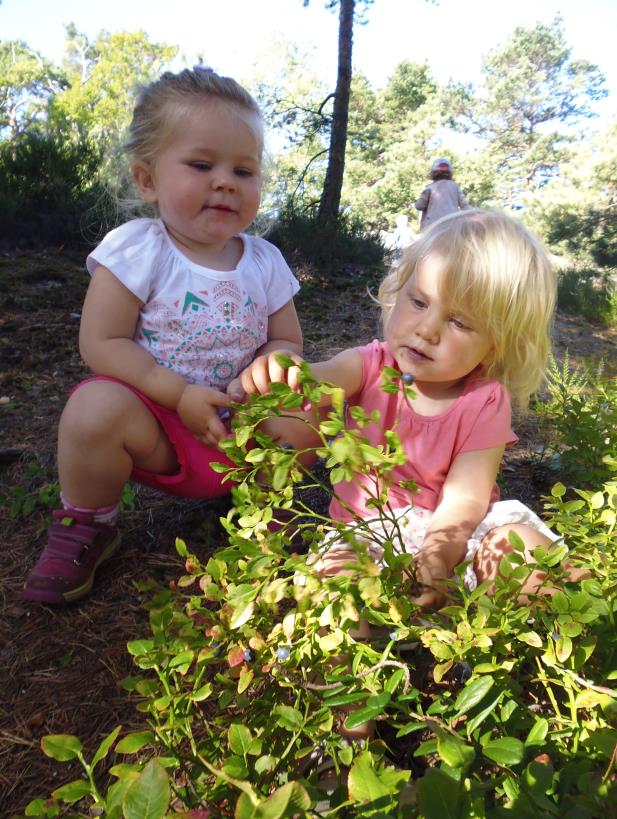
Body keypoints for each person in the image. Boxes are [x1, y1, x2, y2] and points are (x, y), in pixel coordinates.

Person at [23, 66, 307, 605]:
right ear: (147, 179)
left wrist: (273, 364)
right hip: (161, 431)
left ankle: (268, 509)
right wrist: (178, 394)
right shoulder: (138, 249)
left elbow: (287, 340)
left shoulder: (265, 261)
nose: (225, 181)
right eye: (202, 164)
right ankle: (89, 522)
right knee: (93, 407)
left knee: (309, 404)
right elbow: (100, 343)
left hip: (241, 434)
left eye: (243, 170)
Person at [235, 209, 578, 612]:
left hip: (455, 536)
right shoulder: (369, 365)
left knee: (526, 553)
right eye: (418, 302)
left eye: (459, 322)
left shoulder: (485, 399)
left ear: (497, 344)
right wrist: (287, 372)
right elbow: (319, 378)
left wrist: (437, 555)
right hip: (364, 535)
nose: (426, 330)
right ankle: (349, 667)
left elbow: (466, 498)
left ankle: (524, 632)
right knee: (333, 587)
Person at [414, 158, 469, 231]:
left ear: (433, 174)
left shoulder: (430, 188)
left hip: (432, 227)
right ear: (450, 173)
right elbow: (465, 206)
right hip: (452, 226)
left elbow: (419, 206)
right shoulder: (455, 187)